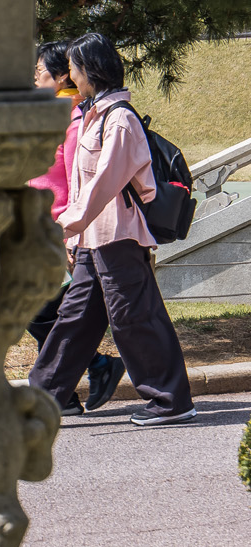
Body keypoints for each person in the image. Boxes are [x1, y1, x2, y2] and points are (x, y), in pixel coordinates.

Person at [29, 33, 195, 427]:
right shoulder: (95, 115)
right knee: (74, 319)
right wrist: (75, 234)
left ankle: (171, 401)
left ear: (90, 71)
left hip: (118, 236)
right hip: (93, 237)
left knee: (135, 319)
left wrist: (68, 223)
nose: (70, 75)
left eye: (73, 68)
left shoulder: (119, 120)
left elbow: (104, 183)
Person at [25, 41, 120, 415]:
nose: (34, 80)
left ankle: (95, 367)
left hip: (59, 227)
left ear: (63, 74)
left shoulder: (74, 117)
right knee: (47, 310)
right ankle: (65, 392)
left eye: (39, 73)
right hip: (41, 226)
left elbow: (76, 180)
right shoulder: (48, 114)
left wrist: (69, 232)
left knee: (39, 311)